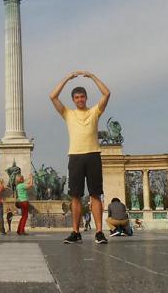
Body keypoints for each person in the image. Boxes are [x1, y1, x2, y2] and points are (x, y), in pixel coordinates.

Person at [50, 71, 110, 244]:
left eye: (82, 97)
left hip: (93, 155)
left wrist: (92, 77)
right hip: (75, 156)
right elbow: (52, 96)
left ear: (86, 98)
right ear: (73, 100)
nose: (80, 100)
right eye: (77, 97)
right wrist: (67, 78)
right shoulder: (68, 113)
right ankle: (75, 232)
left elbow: (106, 93)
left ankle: (99, 232)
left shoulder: (94, 112)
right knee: (75, 196)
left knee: (95, 194)